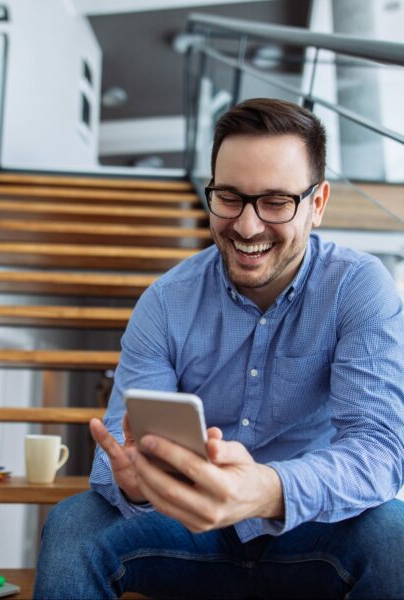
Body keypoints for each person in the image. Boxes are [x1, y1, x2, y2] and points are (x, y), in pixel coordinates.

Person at [33, 98, 404, 599]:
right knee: (73, 526)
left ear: (317, 204)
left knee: (396, 535)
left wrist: (267, 488)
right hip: (187, 525)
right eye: (229, 197)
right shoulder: (166, 302)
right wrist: (138, 484)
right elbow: (121, 450)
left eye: (276, 202)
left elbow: (379, 451)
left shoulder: (358, 288)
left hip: (312, 526)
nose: (247, 227)